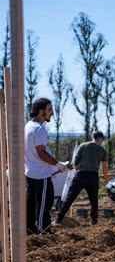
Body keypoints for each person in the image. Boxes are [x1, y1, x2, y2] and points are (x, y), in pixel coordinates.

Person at [25, 98, 72, 234]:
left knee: (32, 203)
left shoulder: (28, 127)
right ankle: (43, 230)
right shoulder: (39, 130)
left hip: (30, 172)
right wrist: (59, 165)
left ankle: (30, 228)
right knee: (44, 204)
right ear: (41, 112)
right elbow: (41, 153)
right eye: (49, 110)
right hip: (41, 174)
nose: (52, 113)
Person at [53, 131, 108, 226]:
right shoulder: (102, 150)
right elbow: (104, 166)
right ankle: (94, 221)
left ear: (92, 137)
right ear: (101, 139)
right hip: (93, 176)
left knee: (70, 198)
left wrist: (78, 172)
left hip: (81, 175)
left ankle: (59, 219)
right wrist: (105, 175)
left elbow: (76, 162)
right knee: (94, 201)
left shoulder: (83, 145)